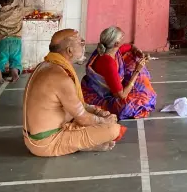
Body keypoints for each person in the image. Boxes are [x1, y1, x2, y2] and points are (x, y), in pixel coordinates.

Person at [23, 29, 125, 157]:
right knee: (113, 129)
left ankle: (79, 142)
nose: (84, 45)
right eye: (80, 43)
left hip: (35, 138)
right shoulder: (60, 77)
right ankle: (79, 145)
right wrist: (104, 121)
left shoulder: (46, 65)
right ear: (69, 51)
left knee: (99, 118)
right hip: (45, 143)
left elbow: (74, 105)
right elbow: (82, 117)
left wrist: (97, 112)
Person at [81, 26, 157, 120]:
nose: (123, 40)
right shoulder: (109, 63)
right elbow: (121, 96)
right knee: (132, 104)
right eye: (121, 38)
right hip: (100, 94)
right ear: (116, 43)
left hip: (111, 87)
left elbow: (130, 46)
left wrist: (138, 52)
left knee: (133, 57)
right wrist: (137, 71)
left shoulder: (111, 50)